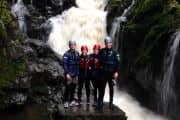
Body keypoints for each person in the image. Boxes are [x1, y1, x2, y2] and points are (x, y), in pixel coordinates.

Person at [98, 36, 120, 109]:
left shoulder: (115, 52)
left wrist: (116, 72)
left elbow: (117, 63)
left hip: (111, 73)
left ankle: (111, 103)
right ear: (105, 43)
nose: (108, 44)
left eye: (110, 43)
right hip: (103, 73)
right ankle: (100, 102)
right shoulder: (101, 51)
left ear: (111, 43)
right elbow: (99, 61)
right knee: (102, 88)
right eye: (107, 43)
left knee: (111, 88)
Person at [63, 40, 80, 108]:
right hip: (69, 73)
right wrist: (67, 73)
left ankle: (72, 100)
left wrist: (78, 73)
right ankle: (66, 101)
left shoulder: (77, 53)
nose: (72, 46)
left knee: (73, 88)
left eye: (74, 45)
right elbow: (65, 64)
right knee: (67, 88)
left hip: (75, 74)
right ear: (69, 46)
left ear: (75, 45)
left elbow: (78, 63)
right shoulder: (66, 54)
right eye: (71, 45)